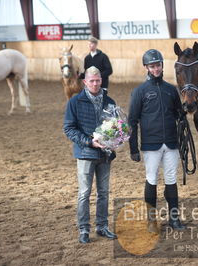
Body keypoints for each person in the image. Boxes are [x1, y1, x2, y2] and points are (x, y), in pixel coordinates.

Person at [128, 49, 185, 233]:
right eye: (152, 66)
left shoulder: (171, 90)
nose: (156, 69)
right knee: (151, 179)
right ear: (146, 67)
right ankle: (151, 221)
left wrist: (184, 116)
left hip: (170, 143)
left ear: (162, 65)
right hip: (151, 144)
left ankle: (174, 219)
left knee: (171, 179)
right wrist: (133, 148)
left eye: (158, 65)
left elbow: (179, 115)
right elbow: (132, 121)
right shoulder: (139, 92)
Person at [63, 66, 117, 244]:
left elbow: (115, 127)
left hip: (105, 154)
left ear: (101, 80)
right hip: (86, 153)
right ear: (85, 82)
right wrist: (88, 142)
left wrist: (115, 140)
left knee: (103, 193)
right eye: (91, 81)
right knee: (84, 193)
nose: (95, 84)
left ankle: (102, 226)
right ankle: (84, 229)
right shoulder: (75, 102)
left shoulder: (110, 102)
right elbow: (69, 129)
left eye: (98, 80)